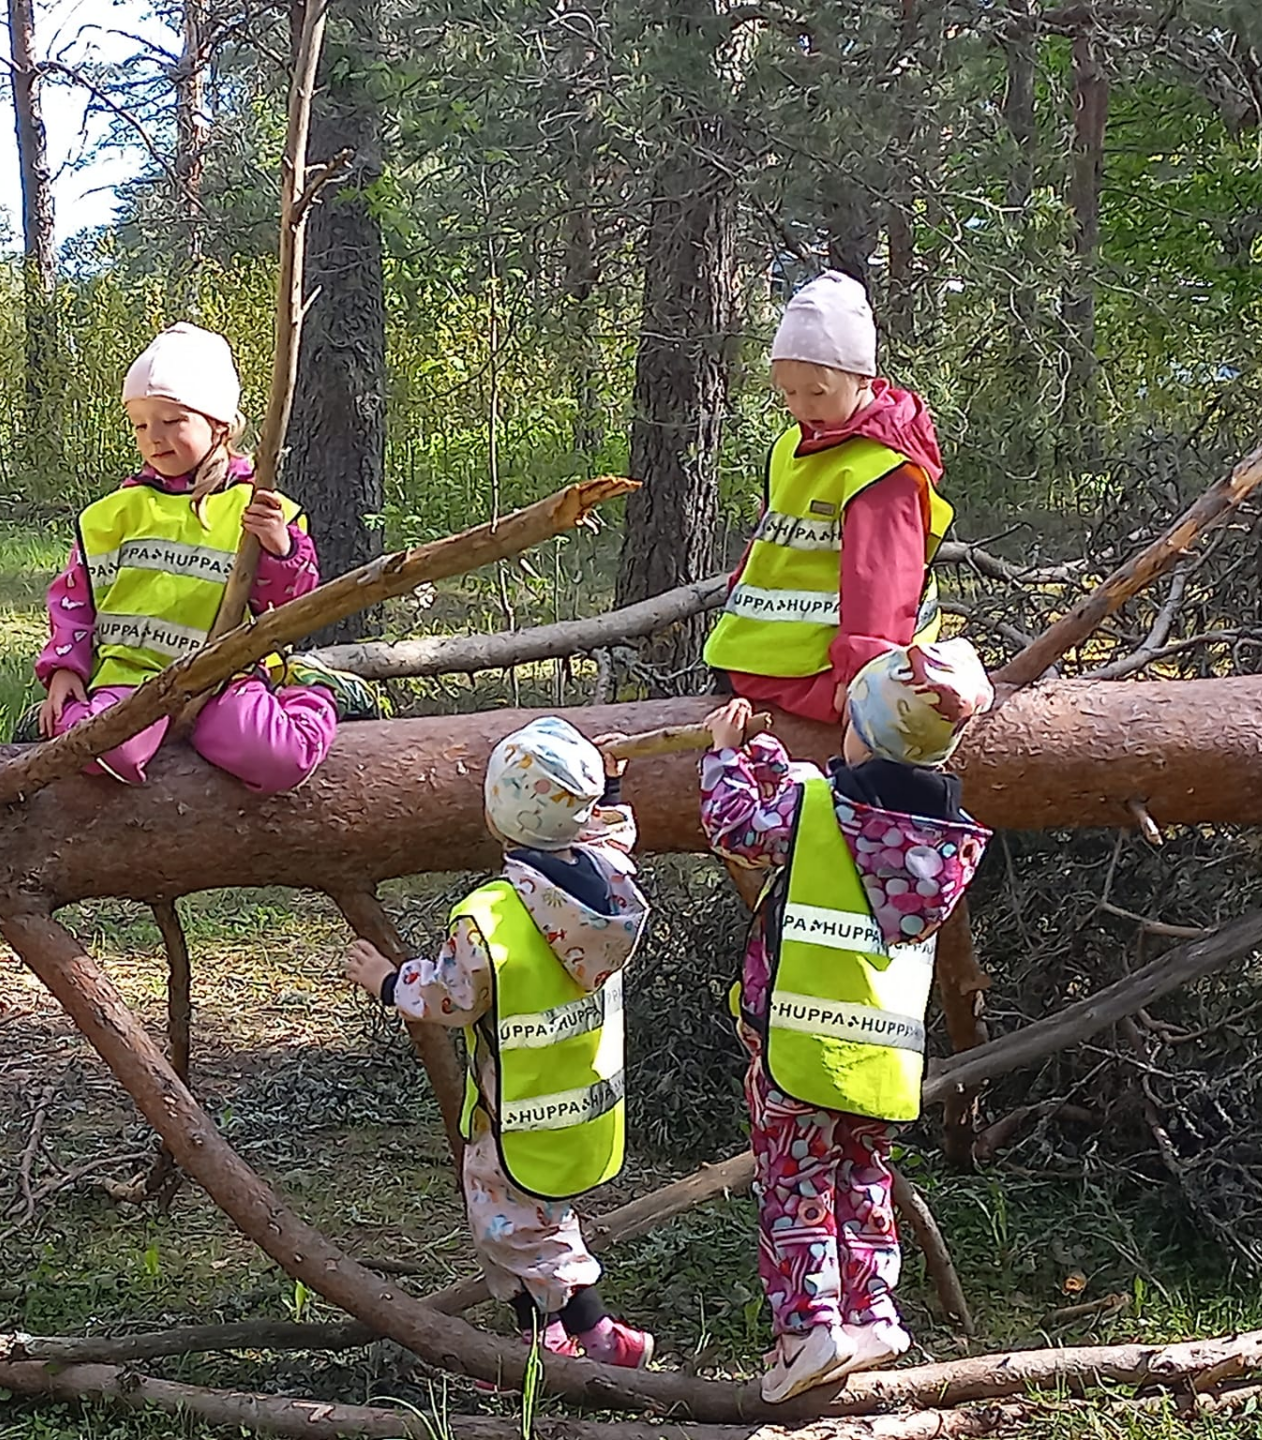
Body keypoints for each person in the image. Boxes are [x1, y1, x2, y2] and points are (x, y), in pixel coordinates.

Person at [699, 639, 994, 1402]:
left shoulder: (817, 811)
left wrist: (725, 756)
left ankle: (808, 1332)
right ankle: (872, 1313)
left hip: (800, 1052)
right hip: (880, 1060)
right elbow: (823, 806)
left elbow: (738, 828)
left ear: (863, 731)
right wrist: (772, 762)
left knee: (794, 1188)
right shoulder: (937, 836)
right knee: (863, 1178)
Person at [343, 717, 656, 1373]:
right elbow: (613, 839)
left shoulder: (491, 916)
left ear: (495, 816)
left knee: (510, 1230)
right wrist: (612, 790)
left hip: (514, 1112)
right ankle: (548, 1340)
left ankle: (595, 1335)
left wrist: (388, 982)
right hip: (583, 1105)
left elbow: (451, 997)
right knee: (531, 1219)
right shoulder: (609, 887)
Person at [26, 322, 362, 793]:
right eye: (140, 424)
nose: (153, 437)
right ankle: (73, 720)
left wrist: (279, 549)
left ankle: (314, 689)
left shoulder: (259, 507)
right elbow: (74, 600)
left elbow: (289, 606)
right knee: (98, 751)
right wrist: (65, 668)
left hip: (224, 679)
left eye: (172, 421)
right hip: (132, 678)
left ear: (218, 424)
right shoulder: (112, 515)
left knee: (282, 759)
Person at [703, 270, 955, 725]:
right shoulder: (790, 446)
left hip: (829, 672)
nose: (801, 406)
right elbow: (770, 546)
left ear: (861, 377)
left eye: (817, 393)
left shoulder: (881, 470)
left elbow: (882, 585)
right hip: (762, 657)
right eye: (788, 392)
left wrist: (861, 676)